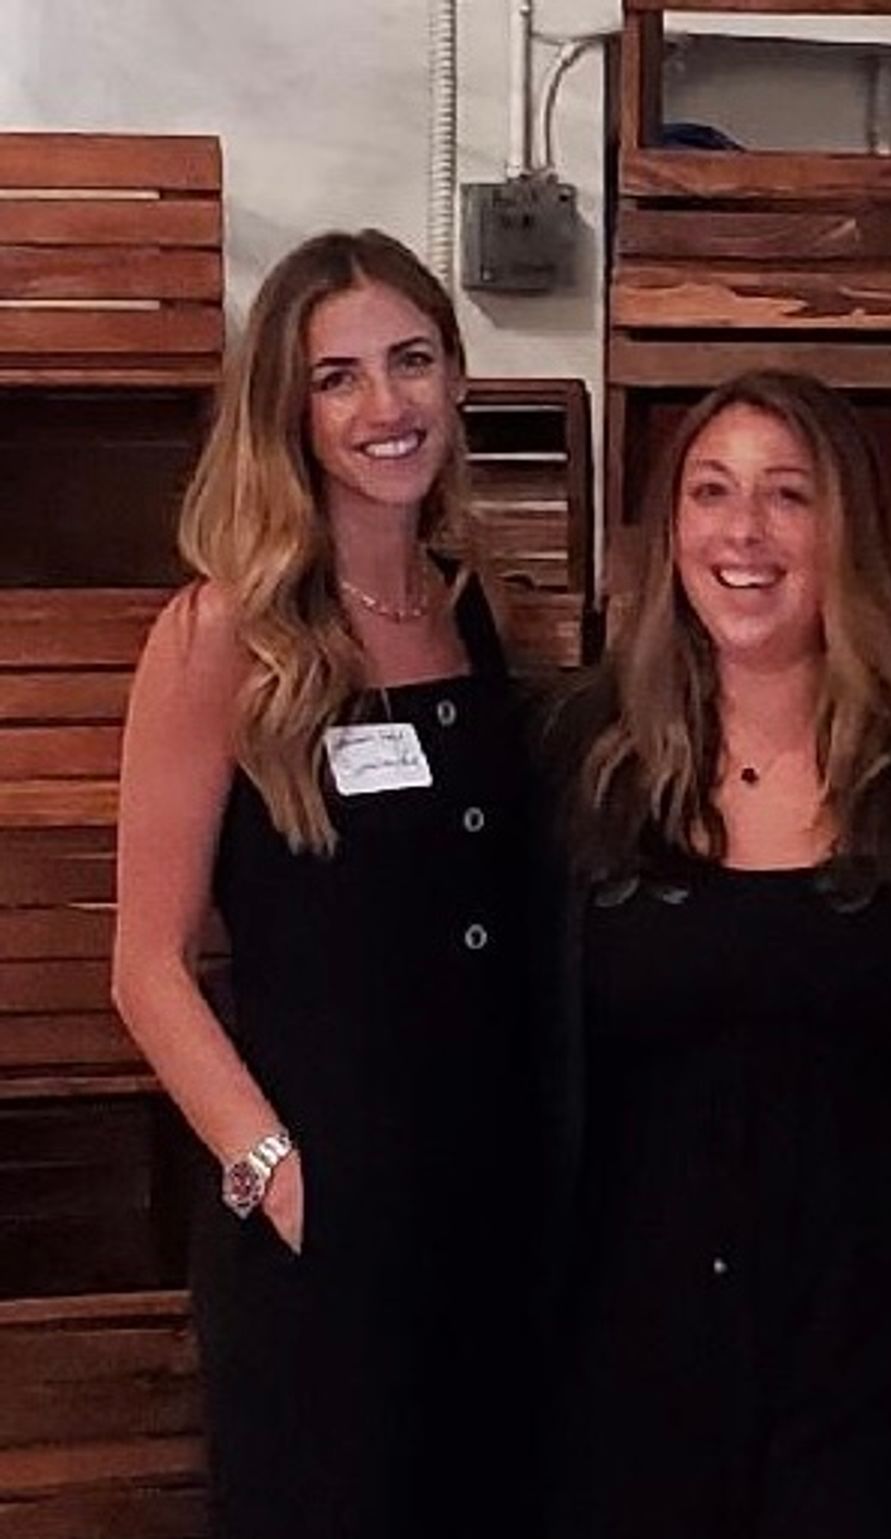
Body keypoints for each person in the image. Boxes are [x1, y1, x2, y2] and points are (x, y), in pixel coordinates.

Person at [538, 370, 891, 1539]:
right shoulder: (584, 758)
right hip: (635, 1374)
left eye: (787, 495)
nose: (743, 533)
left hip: (886, 1376)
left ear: (846, 527)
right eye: (711, 492)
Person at [111, 229, 531, 1538]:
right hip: (330, 1235)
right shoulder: (221, 634)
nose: (385, 405)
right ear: (284, 410)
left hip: (500, 1208)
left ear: (456, 377)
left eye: (411, 360)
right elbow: (147, 965)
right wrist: (279, 1175)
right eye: (337, 377)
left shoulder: (476, 605)